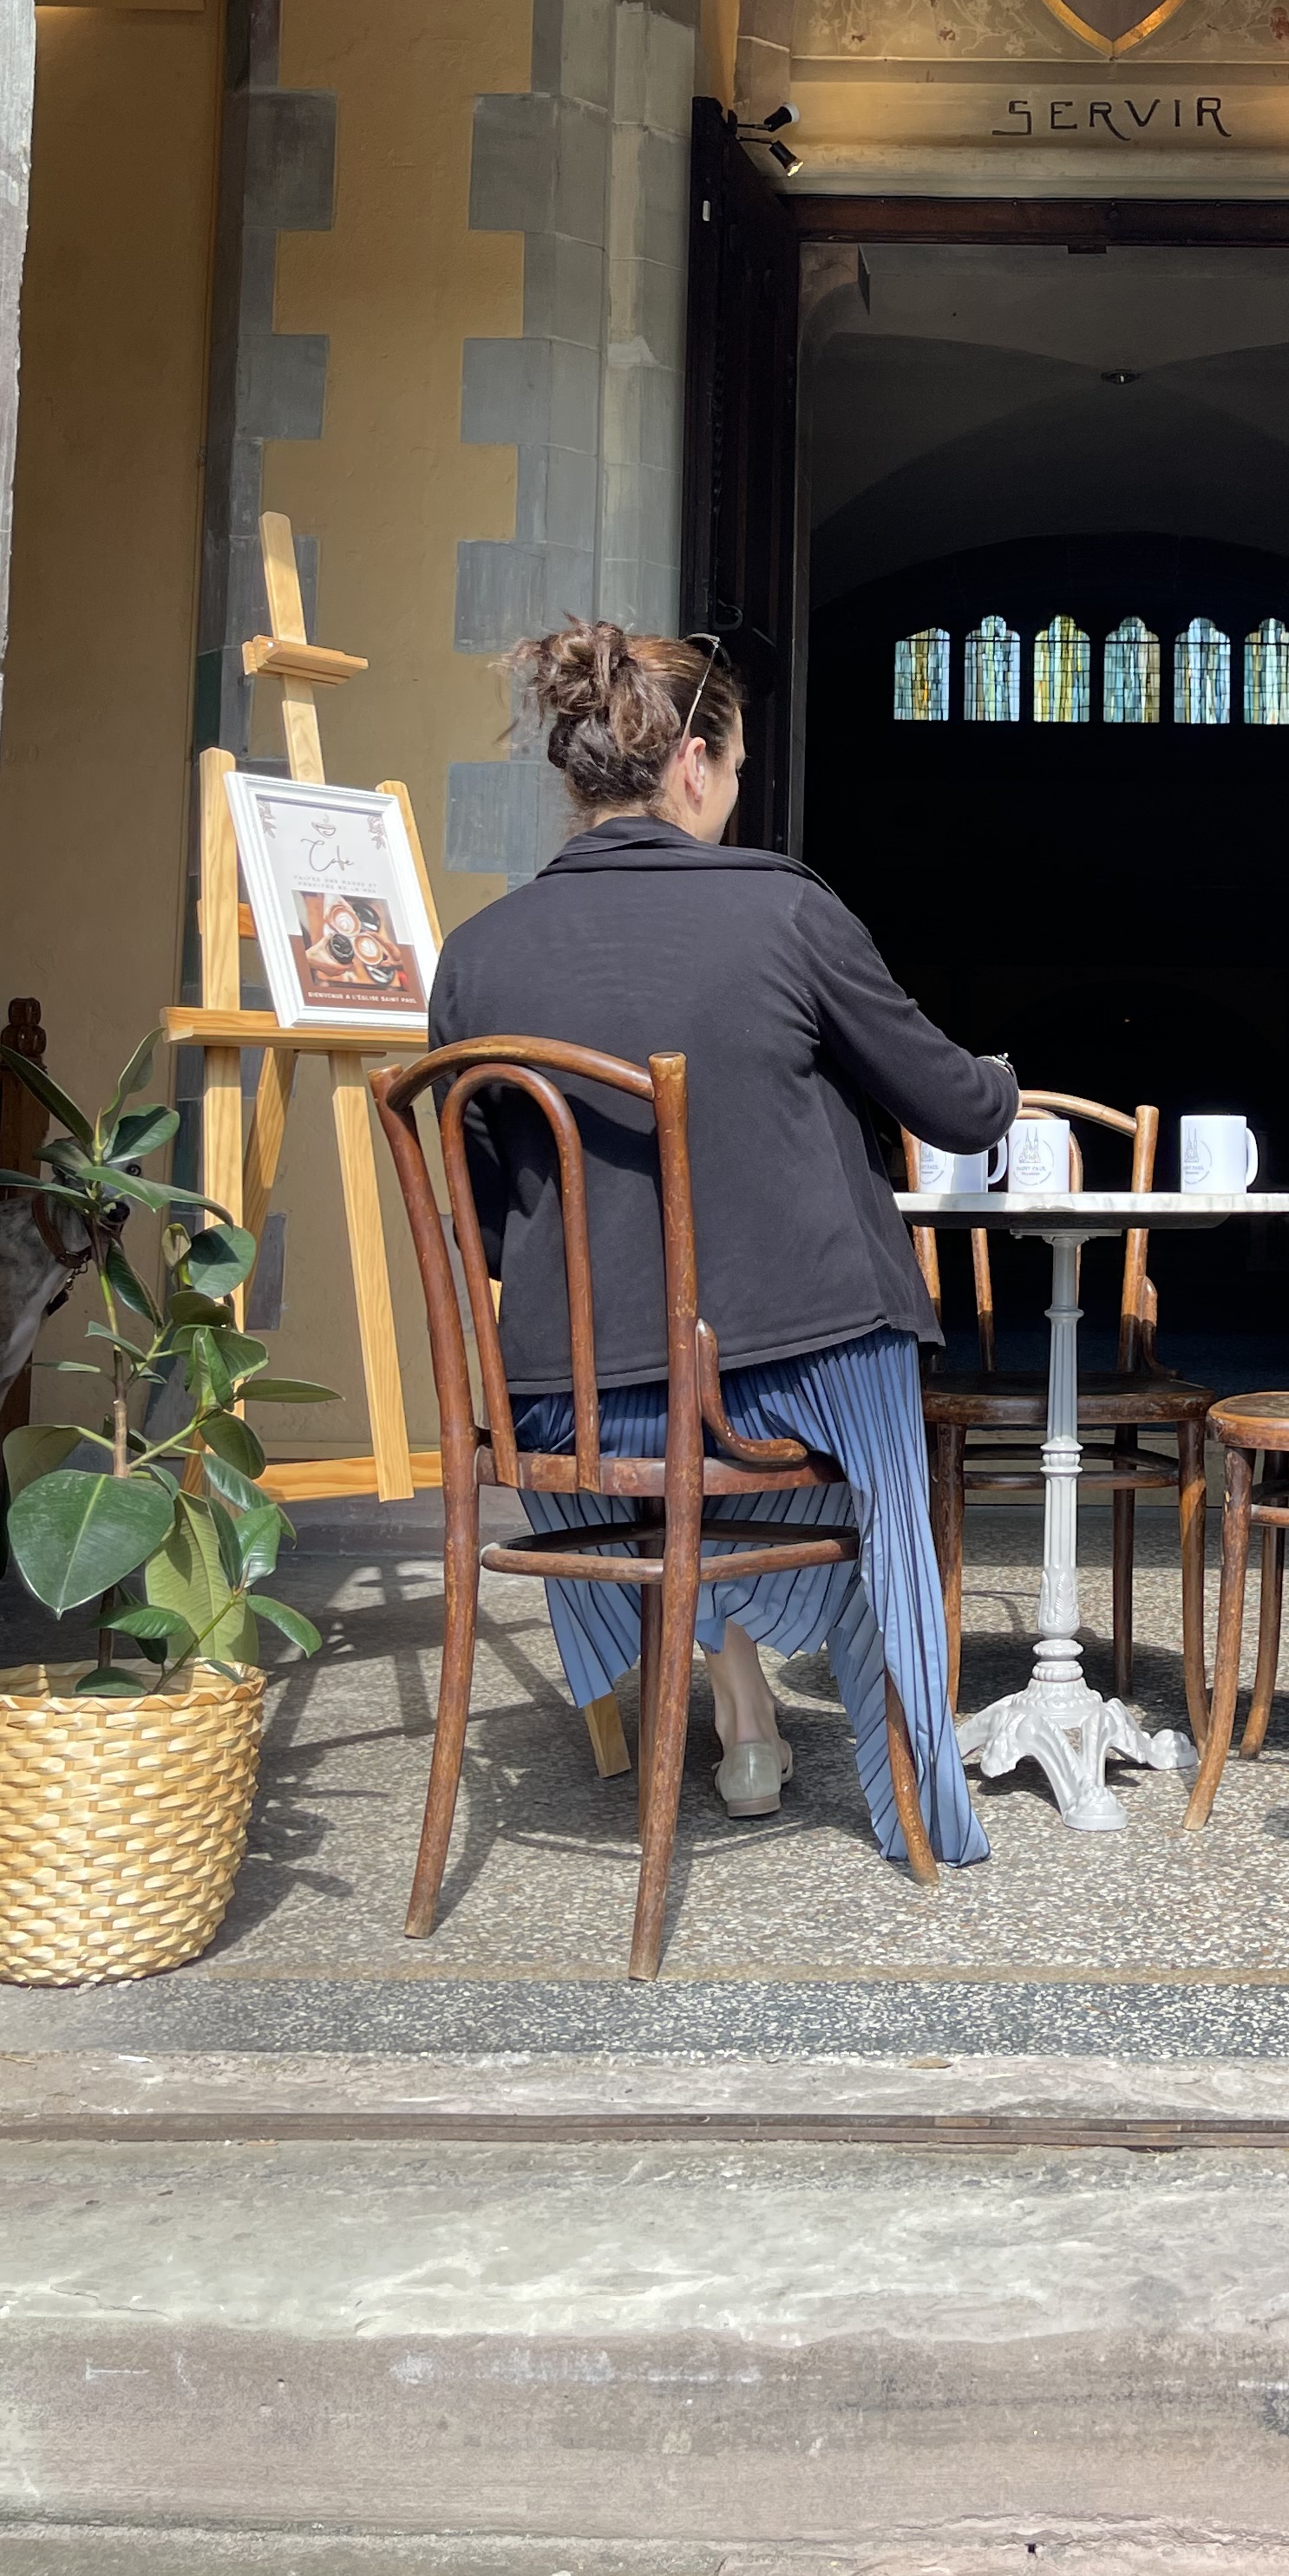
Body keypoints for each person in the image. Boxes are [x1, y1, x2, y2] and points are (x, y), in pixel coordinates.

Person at [424, 622, 1014, 1870]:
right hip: (776, 1412)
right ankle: (915, 1792)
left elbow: (482, 1219)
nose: (734, 797)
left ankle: (733, 1704)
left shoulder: (473, 960)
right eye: (736, 769)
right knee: (868, 1411)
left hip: (572, 1432)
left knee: (673, 1393)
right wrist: (1007, 1084)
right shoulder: (784, 910)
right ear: (692, 762)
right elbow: (954, 1107)